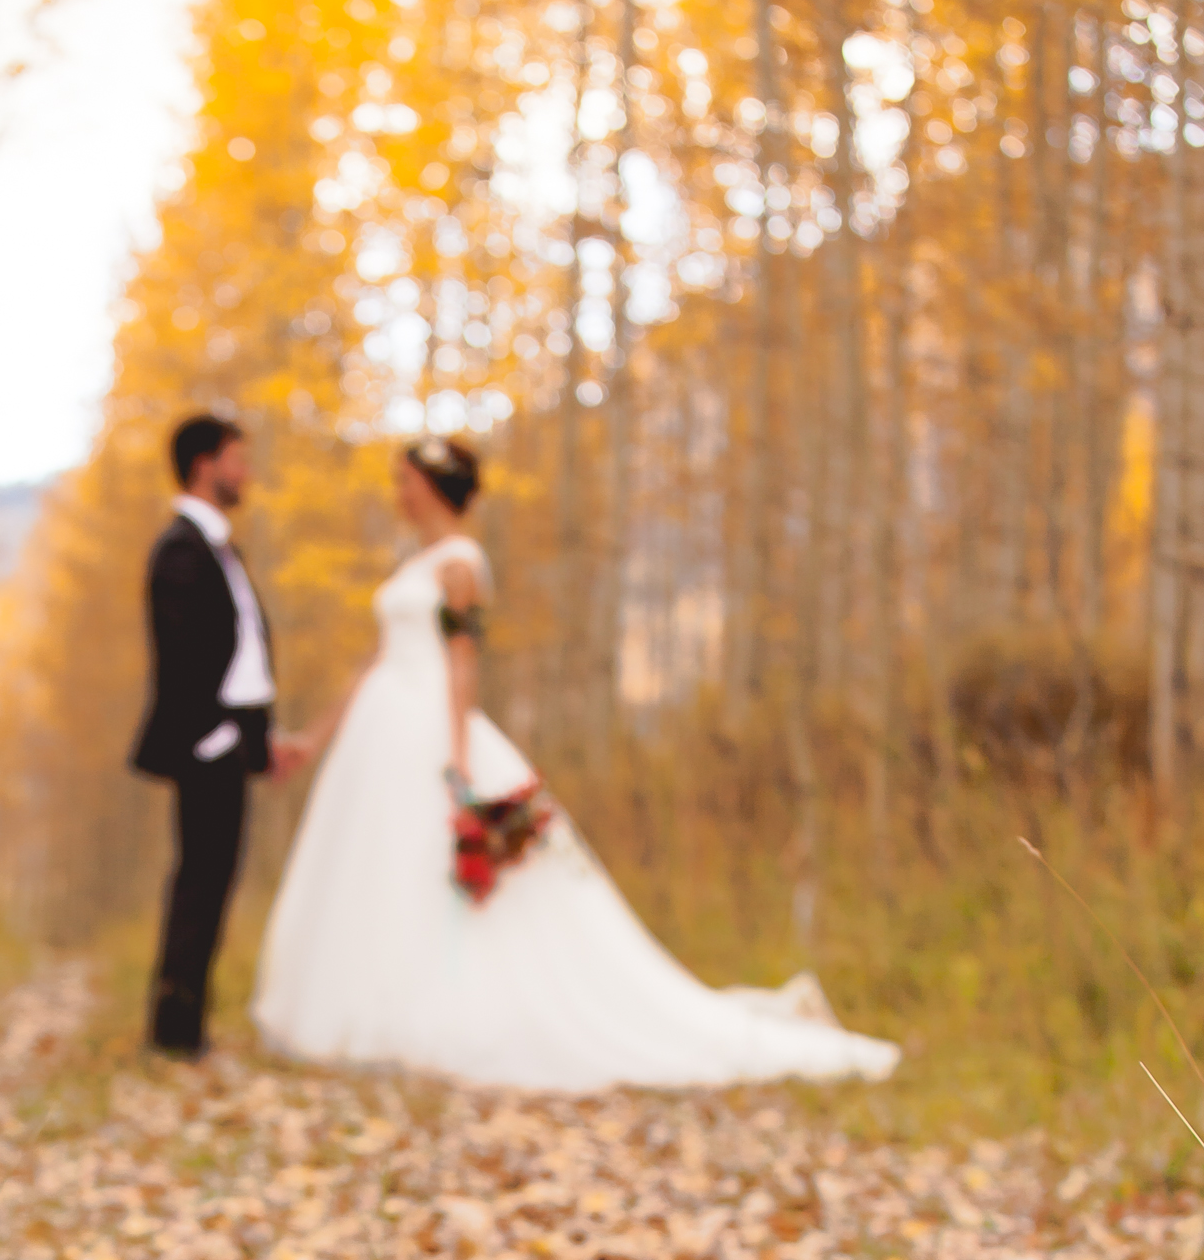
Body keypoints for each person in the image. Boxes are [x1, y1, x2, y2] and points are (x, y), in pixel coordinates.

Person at [252, 436, 898, 1092]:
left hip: (429, 727)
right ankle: (372, 1008)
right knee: (376, 869)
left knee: (437, 870)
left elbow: (462, 663)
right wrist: (314, 736)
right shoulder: (416, 563)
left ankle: (441, 1012)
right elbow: (375, 659)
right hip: (378, 729)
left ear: (433, 485)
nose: (398, 492)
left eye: (406, 479)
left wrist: (455, 762)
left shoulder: (459, 563)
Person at [130, 414, 300, 1058]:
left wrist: (260, 742)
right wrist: (218, 736)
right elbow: (185, 660)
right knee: (200, 879)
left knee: (214, 877)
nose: (246, 472)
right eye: (237, 458)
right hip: (208, 745)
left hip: (229, 743)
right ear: (204, 464)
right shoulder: (180, 548)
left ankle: (186, 1023)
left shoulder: (219, 548)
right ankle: (173, 1029)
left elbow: (245, 661)